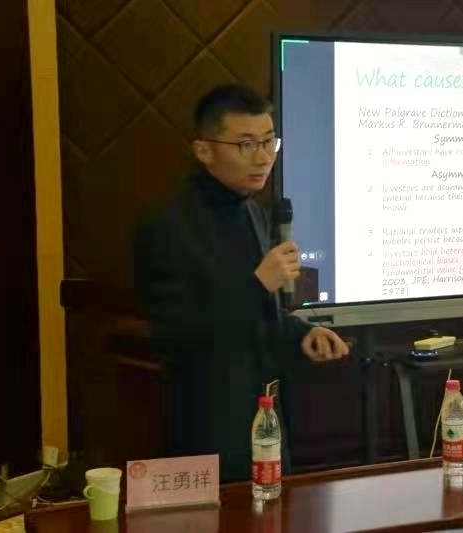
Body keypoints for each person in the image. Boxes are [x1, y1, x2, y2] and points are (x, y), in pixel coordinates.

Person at [133, 83, 350, 483]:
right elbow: (175, 334)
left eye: (269, 142)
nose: (263, 157)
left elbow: (259, 313)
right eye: (246, 144)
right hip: (206, 421)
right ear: (204, 151)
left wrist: (301, 333)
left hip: (265, 409)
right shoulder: (169, 226)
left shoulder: (252, 210)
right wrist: (257, 283)